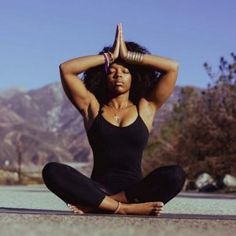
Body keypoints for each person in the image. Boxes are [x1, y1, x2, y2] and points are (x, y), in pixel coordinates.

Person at [42, 23, 186, 216]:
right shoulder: (92, 107)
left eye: (126, 72)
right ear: (104, 76)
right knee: (52, 170)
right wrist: (108, 57)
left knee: (175, 175)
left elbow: (172, 68)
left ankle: (103, 205)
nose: (119, 75)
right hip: (97, 189)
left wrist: (128, 56)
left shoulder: (146, 107)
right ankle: (122, 208)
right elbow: (66, 69)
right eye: (112, 71)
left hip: (135, 192)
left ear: (134, 78)